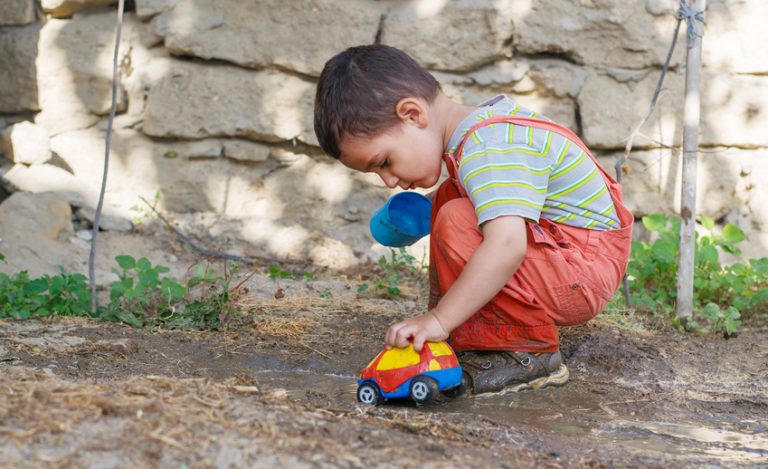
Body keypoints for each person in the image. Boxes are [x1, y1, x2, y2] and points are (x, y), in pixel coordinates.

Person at [313, 44, 633, 395]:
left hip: (582, 272)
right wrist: (423, 210)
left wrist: (438, 320)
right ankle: (478, 339)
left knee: (457, 217)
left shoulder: (489, 147)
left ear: (412, 114)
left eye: (384, 162)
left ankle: (524, 354)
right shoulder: (480, 133)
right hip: (565, 259)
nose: (388, 181)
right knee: (451, 202)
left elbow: (507, 245)